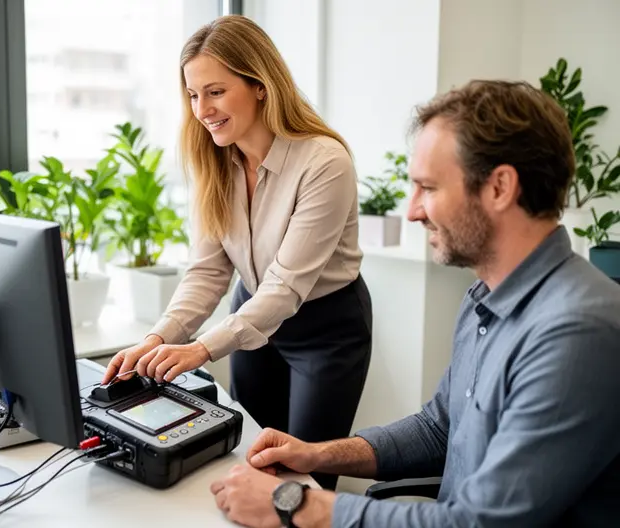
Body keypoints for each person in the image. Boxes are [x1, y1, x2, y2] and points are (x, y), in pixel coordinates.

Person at [208, 79, 620, 527]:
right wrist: (316, 454)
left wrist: (296, 504)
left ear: (500, 187)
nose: (413, 211)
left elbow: (480, 523)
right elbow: (439, 429)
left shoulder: (577, 332)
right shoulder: (487, 297)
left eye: (429, 188)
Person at [101, 15, 373, 490]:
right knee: (251, 464)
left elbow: (286, 287)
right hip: (251, 321)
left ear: (260, 85)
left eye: (216, 91)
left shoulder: (324, 161)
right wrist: (158, 338)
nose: (202, 109)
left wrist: (202, 348)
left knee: (300, 483)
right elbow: (207, 272)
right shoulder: (215, 161)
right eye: (192, 95)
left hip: (325, 330)